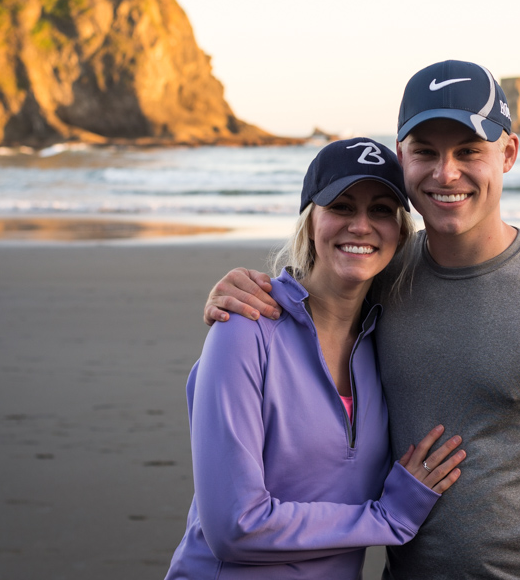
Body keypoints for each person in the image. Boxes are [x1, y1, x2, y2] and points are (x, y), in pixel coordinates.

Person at [204, 59, 520, 580]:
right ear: (402, 159)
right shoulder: (380, 277)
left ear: (508, 153)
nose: (445, 173)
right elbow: (310, 301)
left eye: (468, 151)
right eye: (425, 152)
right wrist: (229, 289)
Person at [164, 138, 468, 579]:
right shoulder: (246, 329)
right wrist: (384, 518)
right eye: (342, 207)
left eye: (381, 210)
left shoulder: (384, 342)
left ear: (401, 233)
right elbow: (234, 525)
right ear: (310, 222)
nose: (361, 225)